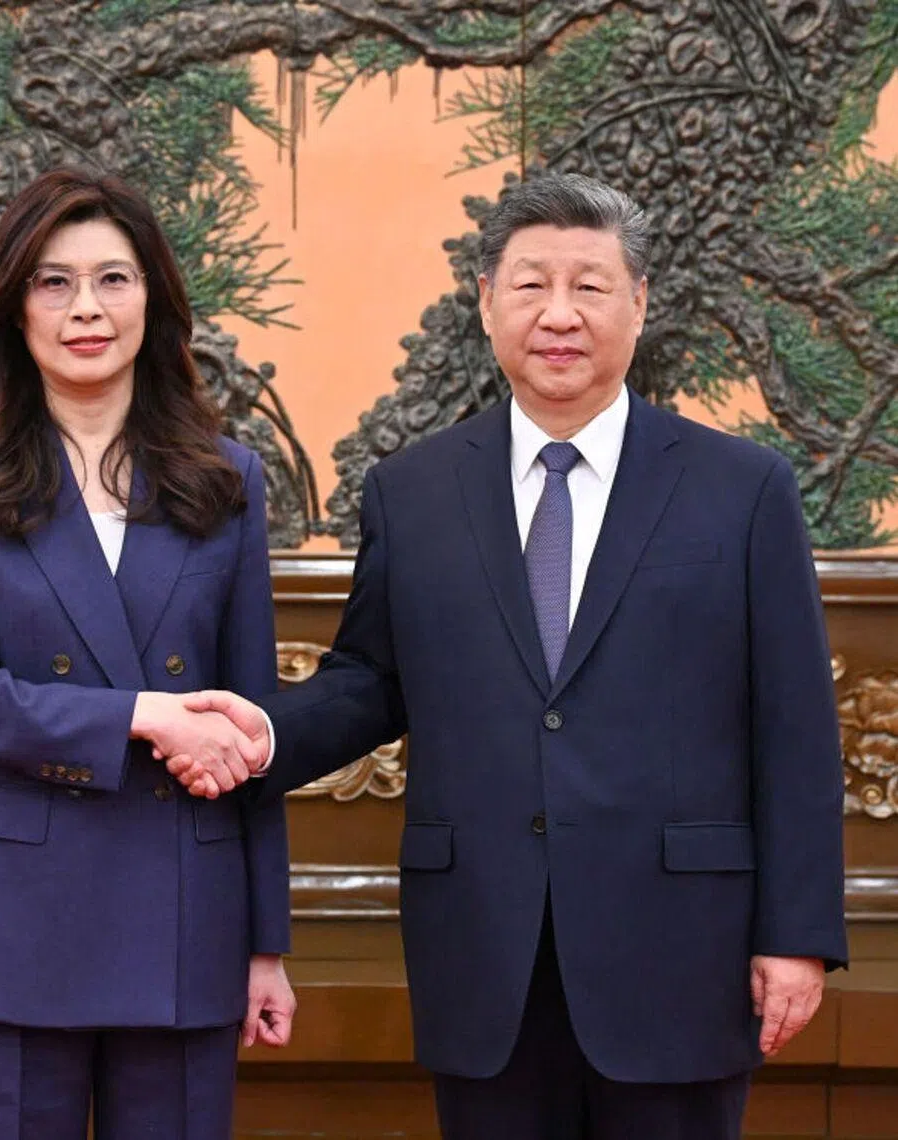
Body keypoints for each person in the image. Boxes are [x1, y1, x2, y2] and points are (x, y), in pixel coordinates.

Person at [166, 173, 848, 1139]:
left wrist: (797, 936)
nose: (559, 314)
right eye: (530, 286)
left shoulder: (741, 489)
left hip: (681, 953)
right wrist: (261, 734)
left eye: (591, 286)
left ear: (640, 305)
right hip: (485, 948)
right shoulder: (414, 490)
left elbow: (794, 726)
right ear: (486, 304)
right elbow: (372, 680)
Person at [0, 167, 295, 1140]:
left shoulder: (227, 479)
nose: (87, 308)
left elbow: (247, 724)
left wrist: (265, 945)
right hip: (10, 920)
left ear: (153, 300)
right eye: (53, 281)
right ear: (13, 307)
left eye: (114, 279)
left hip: (186, 915)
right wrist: (145, 714)